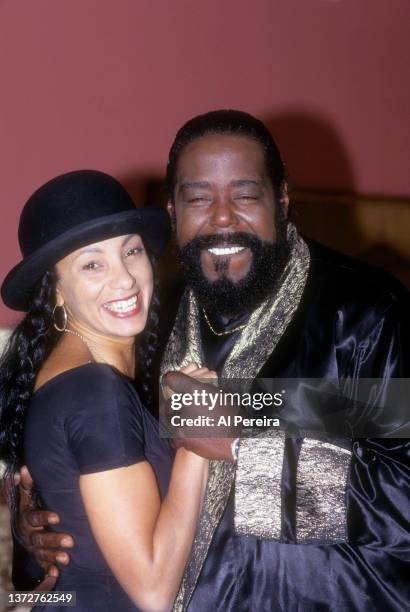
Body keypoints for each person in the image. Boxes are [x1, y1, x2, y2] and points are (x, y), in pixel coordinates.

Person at [13, 112, 410, 611]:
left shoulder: (362, 316)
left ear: (281, 200)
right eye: (199, 198)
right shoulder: (147, 328)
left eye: (245, 195)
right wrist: (48, 527)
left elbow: (403, 496)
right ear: (173, 211)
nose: (222, 217)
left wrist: (247, 449)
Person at [0, 169, 216, 611]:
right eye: (93, 263)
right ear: (55, 291)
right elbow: (153, 591)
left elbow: (382, 413)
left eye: (131, 251)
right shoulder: (95, 387)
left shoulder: (108, 369)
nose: (125, 279)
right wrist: (198, 439)